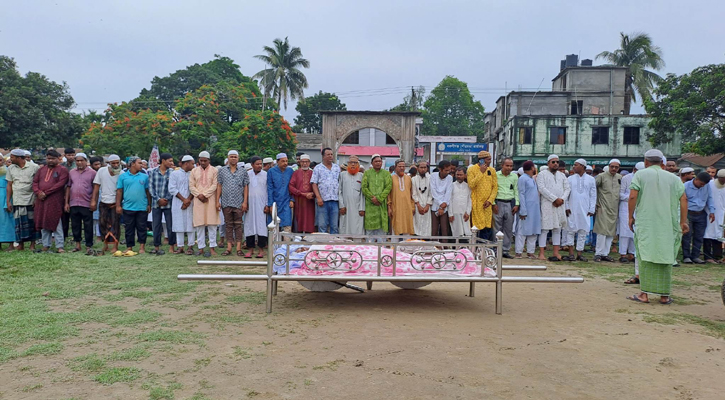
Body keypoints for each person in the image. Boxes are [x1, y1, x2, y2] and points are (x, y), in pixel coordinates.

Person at [627, 149, 688, 305]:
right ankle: (664, 296)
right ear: (662, 162)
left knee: (646, 254)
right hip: (668, 223)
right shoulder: (673, 178)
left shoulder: (640, 175)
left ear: (646, 162)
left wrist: (630, 216)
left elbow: (633, 196)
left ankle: (644, 294)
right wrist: (683, 221)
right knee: (665, 254)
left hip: (647, 222)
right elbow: (683, 199)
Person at [33, 150, 69, 253]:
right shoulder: (41, 170)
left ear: (58, 159)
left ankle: (60, 246)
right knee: (43, 221)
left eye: (53, 158)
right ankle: (46, 245)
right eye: (48, 158)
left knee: (56, 222)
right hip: (41, 200)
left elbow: (60, 184)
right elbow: (35, 182)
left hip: (55, 200)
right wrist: (38, 192)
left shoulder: (63, 170)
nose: (50, 160)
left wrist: (46, 192)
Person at [536, 154, 570, 261]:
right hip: (547, 204)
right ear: (548, 163)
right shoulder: (542, 174)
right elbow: (541, 188)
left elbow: (567, 189)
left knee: (557, 229)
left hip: (560, 205)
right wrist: (554, 199)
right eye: (553, 162)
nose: (555, 164)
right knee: (545, 229)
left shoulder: (562, 175)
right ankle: (541, 253)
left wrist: (561, 199)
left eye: (557, 162)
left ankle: (556, 253)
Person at [6, 149, 40, 251]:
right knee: (19, 224)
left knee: (32, 222)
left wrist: (36, 199)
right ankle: (20, 245)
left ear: (19, 158)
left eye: (12, 157)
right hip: (17, 199)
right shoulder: (11, 168)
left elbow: (37, 184)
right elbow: (9, 185)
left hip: (31, 199)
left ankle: (32, 244)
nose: (10, 159)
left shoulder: (34, 167)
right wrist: (8, 201)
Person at [115, 157, 151, 256]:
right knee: (129, 228)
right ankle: (129, 247)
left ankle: (142, 247)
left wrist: (149, 204)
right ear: (133, 164)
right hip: (127, 206)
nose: (142, 165)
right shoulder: (123, 176)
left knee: (142, 227)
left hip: (141, 207)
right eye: (139, 163)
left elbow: (148, 191)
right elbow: (119, 191)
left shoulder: (144, 176)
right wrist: (118, 205)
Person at [217, 150, 249, 256]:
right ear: (228, 158)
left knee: (239, 226)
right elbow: (219, 185)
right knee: (228, 225)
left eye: (235, 157)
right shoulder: (222, 170)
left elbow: (246, 186)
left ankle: (239, 248)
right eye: (231, 157)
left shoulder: (243, 171)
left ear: (238, 158)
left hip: (239, 202)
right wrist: (217, 201)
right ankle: (229, 247)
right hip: (226, 202)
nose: (233, 158)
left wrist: (245, 202)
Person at [189, 151, 220, 257]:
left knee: (212, 224)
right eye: (201, 160)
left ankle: (212, 248)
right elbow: (191, 186)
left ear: (209, 161)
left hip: (211, 199)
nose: (203, 162)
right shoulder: (194, 171)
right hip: (198, 200)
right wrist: (199, 195)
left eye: (205, 161)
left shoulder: (215, 170)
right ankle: (201, 248)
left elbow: (215, 185)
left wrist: (205, 195)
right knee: (199, 225)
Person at [564, 159, 596, 262]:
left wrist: (592, 208)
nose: (574, 167)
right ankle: (571, 254)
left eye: (576, 165)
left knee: (583, 231)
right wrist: (566, 207)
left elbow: (593, 195)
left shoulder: (591, 179)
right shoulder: (570, 179)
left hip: (585, 209)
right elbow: (566, 194)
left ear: (582, 166)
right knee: (570, 230)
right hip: (572, 209)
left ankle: (579, 253)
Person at [65, 152, 96, 254]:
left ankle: (88, 245)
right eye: (77, 161)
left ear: (86, 161)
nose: (79, 162)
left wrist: (93, 201)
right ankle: (77, 245)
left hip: (86, 203)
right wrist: (66, 202)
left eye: (81, 160)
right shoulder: (72, 172)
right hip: (74, 202)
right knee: (75, 225)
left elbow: (95, 188)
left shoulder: (92, 173)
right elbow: (69, 187)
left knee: (88, 225)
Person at [681, 171, 715, 264]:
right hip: (689, 213)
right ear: (696, 179)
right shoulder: (685, 186)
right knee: (687, 235)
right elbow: (682, 201)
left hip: (701, 213)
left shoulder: (706, 186)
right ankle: (686, 256)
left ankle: (695, 256)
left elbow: (710, 198)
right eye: (701, 183)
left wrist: (712, 211)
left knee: (699, 236)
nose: (702, 186)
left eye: (704, 184)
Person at [91, 154, 122, 254]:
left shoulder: (122, 173)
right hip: (104, 201)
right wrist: (93, 201)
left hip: (115, 202)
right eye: (113, 163)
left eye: (117, 163)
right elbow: (96, 186)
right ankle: (106, 245)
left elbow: (121, 191)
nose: (116, 165)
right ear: (109, 163)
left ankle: (115, 245)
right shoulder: (101, 171)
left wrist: (118, 204)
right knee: (102, 224)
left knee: (115, 224)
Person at [593, 159, 622, 262]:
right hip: (603, 207)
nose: (614, 169)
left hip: (614, 208)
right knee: (602, 231)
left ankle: (605, 253)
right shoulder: (601, 176)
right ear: (609, 166)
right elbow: (593, 188)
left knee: (611, 232)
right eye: (612, 166)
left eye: (616, 167)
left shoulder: (619, 177)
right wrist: (595, 203)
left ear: (619, 168)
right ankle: (598, 253)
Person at [467, 150, 498, 240]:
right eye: (488, 159)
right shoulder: (471, 169)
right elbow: (471, 185)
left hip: (487, 204)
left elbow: (495, 187)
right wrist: (481, 172)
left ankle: (486, 250)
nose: (490, 161)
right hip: (476, 203)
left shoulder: (492, 170)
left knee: (487, 227)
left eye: (490, 159)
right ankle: (476, 249)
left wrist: (490, 200)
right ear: (481, 160)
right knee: (477, 227)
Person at [169, 155, 196, 255]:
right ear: (186, 163)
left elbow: (195, 188)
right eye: (192, 163)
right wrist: (183, 200)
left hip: (191, 202)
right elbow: (172, 188)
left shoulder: (193, 174)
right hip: (177, 202)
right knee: (178, 224)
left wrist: (188, 200)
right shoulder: (174, 174)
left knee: (190, 224)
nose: (194, 165)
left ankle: (190, 246)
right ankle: (180, 246)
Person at [311, 148, 341, 234]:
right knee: (322, 225)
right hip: (323, 201)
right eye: (328, 154)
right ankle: (323, 245)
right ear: (323, 156)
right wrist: (318, 198)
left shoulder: (336, 168)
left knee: (334, 225)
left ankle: (333, 245)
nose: (330, 156)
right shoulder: (318, 168)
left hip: (335, 200)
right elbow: (314, 183)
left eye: (331, 154)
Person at [361, 155, 392, 237]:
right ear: (372, 163)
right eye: (376, 161)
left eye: (380, 161)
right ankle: (370, 248)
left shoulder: (386, 174)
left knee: (381, 230)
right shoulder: (367, 173)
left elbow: (388, 187)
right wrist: (373, 198)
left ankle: (381, 248)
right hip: (370, 205)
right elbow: (364, 187)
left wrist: (379, 198)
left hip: (382, 204)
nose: (378, 163)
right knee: (369, 230)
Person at [493, 158, 519, 258]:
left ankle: (505, 250)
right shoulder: (496, 175)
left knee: (508, 228)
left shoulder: (514, 176)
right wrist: (493, 203)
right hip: (498, 203)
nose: (509, 168)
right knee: (497, 228)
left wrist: (517, 204)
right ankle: (496, 249)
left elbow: (516, 190)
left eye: (511, 166)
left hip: (510, 203)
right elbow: (493, 189)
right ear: (502, 165)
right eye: (507, 165)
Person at [618, 162, 643, 263]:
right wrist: (631, 198)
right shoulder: (626, 178)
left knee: (635, 231)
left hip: (639, 207)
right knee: (624, 232)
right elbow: (620, 194)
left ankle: (632, 253)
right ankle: (623, 254)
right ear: (634, 169)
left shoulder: (644, 179)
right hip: (625, 207)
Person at [515, 161, 541, 258]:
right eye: (534, 167)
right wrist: (523, 210)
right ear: (531, 168)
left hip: (534, 209)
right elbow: (521, 193)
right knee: (522, 230)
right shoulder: (523, 178)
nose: (535, 169)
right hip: (526, 208)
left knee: (533, 230)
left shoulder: (532, 179)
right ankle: (519, 251)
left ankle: (530, 251)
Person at [244, 156, 268, 258]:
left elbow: (268, 190)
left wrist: (267, 204)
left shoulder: (266, 175)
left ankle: (261, 250)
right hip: (249, 204)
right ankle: (250, 250)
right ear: (252, 165)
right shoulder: (247, 174)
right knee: (249, 226)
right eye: (257, 164)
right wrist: (244, 203)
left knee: (261, 226)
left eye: (260, 164)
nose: (259, 166)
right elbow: (244, 189)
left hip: (262, 204)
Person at [267, 153, 295, 234]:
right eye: (283, 161)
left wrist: (292, 200)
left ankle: (286, 245)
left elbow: (292, 186)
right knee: (274, 224)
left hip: (286, 201)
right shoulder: (271, 171)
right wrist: (271, 204)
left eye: (286, 161)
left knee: (287, 224)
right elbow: (270, 188)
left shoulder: (290, 171)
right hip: (275, 202)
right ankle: (275, 245)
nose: (285, 163)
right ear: (277, 162)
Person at [338, 155, 365, 235]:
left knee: (357, 229)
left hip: (357, 207)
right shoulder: (342, 175)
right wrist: (341, 205)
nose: (353, 164)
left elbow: (362, 193)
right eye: (351, 163)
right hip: (345, 206)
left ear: (358, 165)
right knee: (345, 228)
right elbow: (339, 190)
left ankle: (357, 245)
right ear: (348, 164)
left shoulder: (361, 176)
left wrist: (362, 208)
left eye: (355, 163)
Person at [288, 154, 315, 233]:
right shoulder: (296, 173)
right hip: (299, 200)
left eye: (306, 162)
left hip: (311, 201)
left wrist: (312, 194)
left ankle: (309, 237)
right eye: (303, 162)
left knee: (310, 218)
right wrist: (301, 193)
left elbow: (317, 186)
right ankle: (298, 238)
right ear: (299, 162)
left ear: (309, 163)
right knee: (299, 219)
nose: (304, 164)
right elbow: (291, 186)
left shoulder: (313, 173)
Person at [388, 160, 415, 235]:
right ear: (395, 167)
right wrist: (389, 207)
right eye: (400, 166)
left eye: (403, 166)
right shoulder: (391, 178)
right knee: (395, 228)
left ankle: (406, 246)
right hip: (396, 207)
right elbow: (389, 194)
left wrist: (412, 207)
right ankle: (394, 246)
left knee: (407, 228)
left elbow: (411, 193)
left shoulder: (408, 178)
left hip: (407, 207)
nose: (402, 168)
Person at [703, 169, 725, 263]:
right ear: (720, 177)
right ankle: (708, 256)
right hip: (709, 212)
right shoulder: (710, 184)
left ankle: (717, 256)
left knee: (719, 234)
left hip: (722, 214)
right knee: (708, 233)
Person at [430, 160, 453, 241]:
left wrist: (443, 206)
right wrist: (440, 204)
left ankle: (445, 249)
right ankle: (433, 248)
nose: (448, 172)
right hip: (435, 205)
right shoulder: (433, 176)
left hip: (445, 206)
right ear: (440, 169)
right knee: (434, 230)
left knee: (444, 229)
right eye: (446, 170)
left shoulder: (450, 178)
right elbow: (433, 191)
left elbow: (448, 192)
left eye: (449, 170)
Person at [411, 161, 433, 236]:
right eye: (421, 167)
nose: (423, 169)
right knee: (417, 226)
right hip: (417, 206)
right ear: (417, 168)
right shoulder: (413, 179)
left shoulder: (431, 178)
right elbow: (414, 193)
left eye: (425, 167)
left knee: (427, 227)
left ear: (427, 168)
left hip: (428, 206)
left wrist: (427, 205)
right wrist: (418, 205)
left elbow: (431, 193)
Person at [449, 167, 472, 239]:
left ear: (465, 175)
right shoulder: (451, 185)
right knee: (456, 234)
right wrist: (450, 214)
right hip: (454, 213)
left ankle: (467, 250)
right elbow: (449, 200)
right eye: (457, 174)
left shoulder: (468, 186)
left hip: (465, 214)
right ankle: (456, 249)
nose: (459, 176)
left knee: (467, 234)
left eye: (461, 175)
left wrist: (468, 212)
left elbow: (470, 200)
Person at [0, 158, 17, 250]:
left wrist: (8, 202)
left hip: (4, 198)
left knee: (8, 221)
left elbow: (10, 187)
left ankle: (11, 243)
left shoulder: (8, 171)